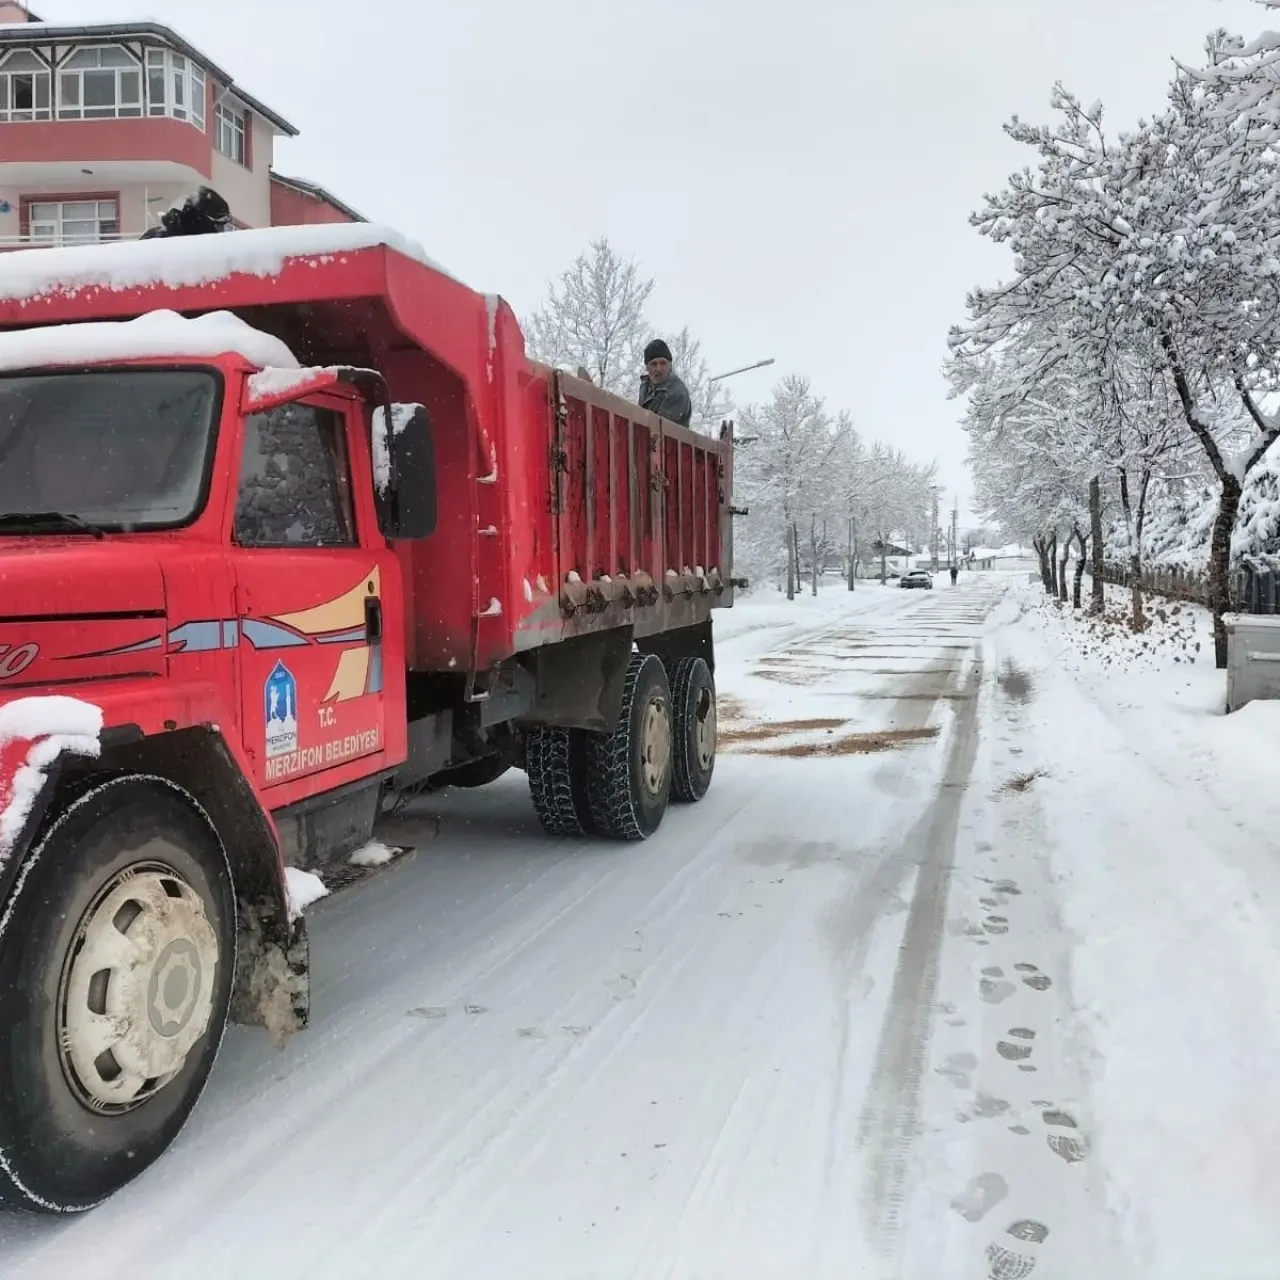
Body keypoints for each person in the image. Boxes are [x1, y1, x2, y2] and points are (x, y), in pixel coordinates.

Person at [638, 339, 692, 428]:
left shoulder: (677, 392)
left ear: (670, 365)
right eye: (654, 364)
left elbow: (659, 427)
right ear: (647, 367)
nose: (658, 369)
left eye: (663, 363)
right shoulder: (645, 386)